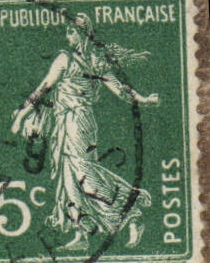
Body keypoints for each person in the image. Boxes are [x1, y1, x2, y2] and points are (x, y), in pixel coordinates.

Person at [11, 13, 158, 250]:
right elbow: (44, 89)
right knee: (69, 180)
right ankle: (82, 234)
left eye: (71, 32)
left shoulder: (90, 61)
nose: (67, 36)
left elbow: (120, 89)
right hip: (63, 124)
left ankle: (132, 211)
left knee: (84, 175)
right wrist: (23, 114)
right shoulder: (69, 58)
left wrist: (143, 99)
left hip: (79, 122)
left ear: (83, 34)